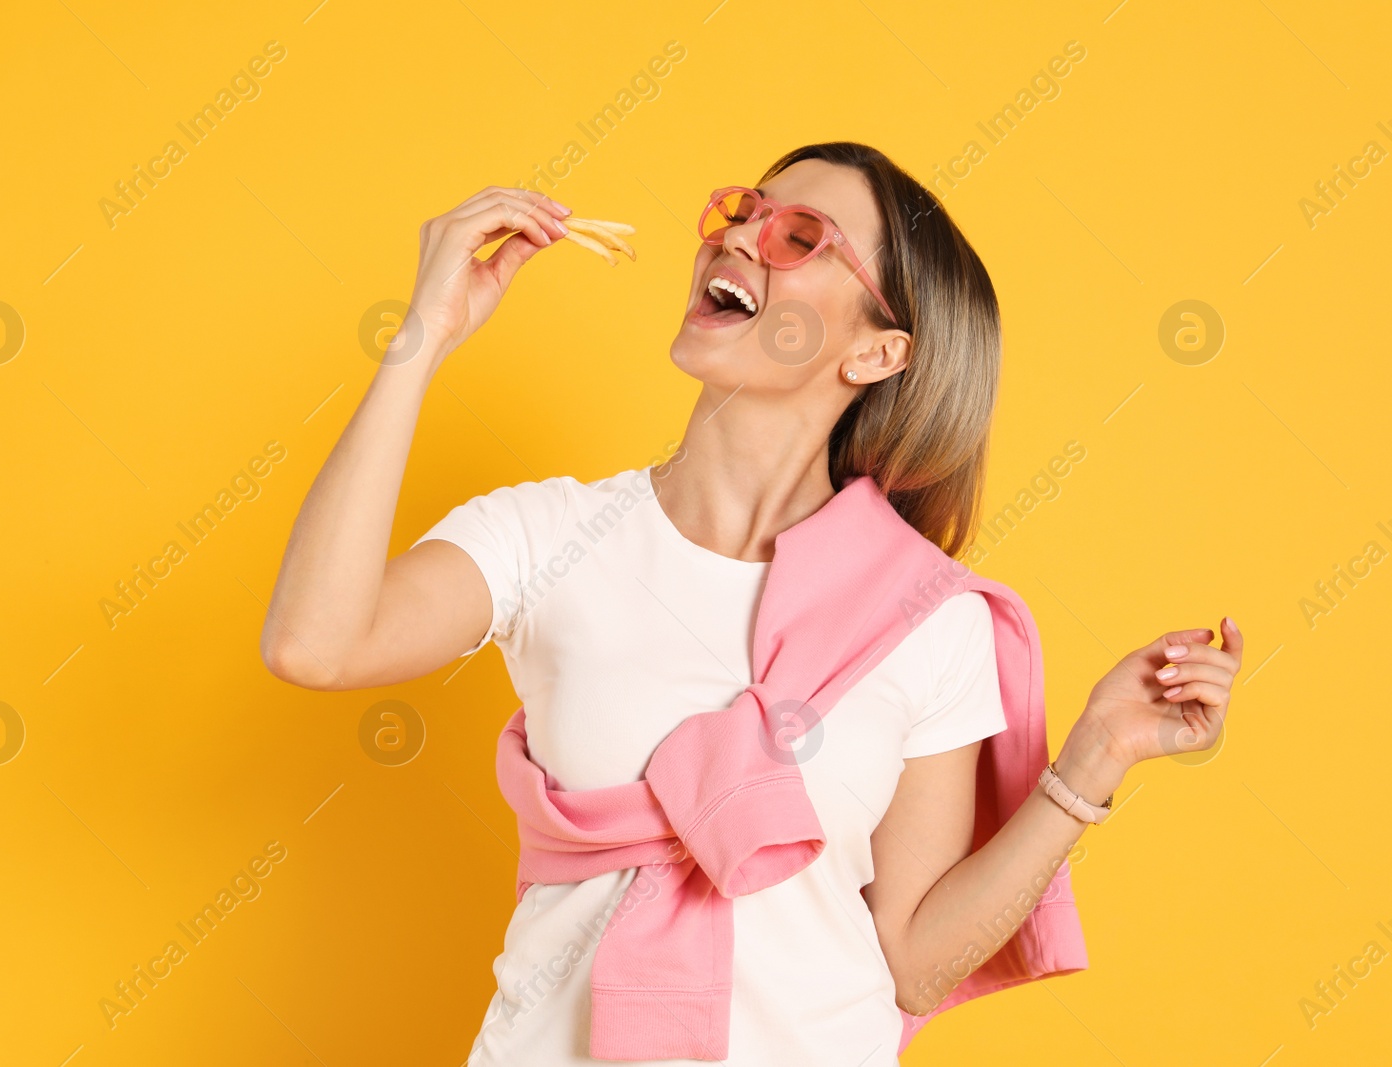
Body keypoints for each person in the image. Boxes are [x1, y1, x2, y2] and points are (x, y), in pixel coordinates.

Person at [260, 140, 1243, 1065]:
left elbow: (913, 957)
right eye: (743, 211)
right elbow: (316, 643)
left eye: (799, 237)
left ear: (876, 355)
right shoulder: (552, 534)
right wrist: (422, 339)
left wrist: (1094, 759)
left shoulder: (927, 619)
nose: (736, 237)